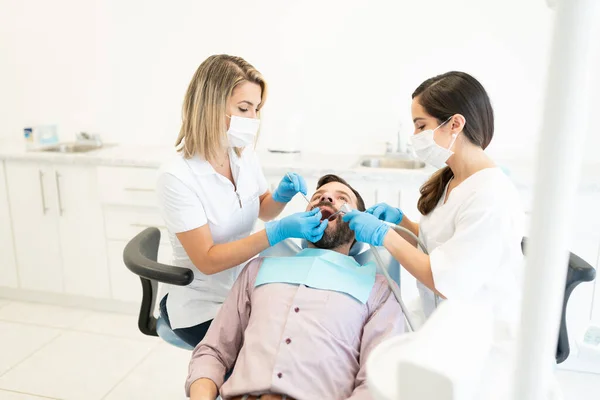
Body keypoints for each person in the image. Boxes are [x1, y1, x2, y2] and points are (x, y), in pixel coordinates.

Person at [343, 71, 525, 349]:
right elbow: (441, 244)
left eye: (420, 126)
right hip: (441, 322)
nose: (414, 136)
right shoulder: (454, 179)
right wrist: (401, 223)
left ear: (455, 124)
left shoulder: (491, 197)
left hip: (481, 339)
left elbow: (446, 280)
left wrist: (385, 237)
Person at [156, 55, 328, 347]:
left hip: (244, 288)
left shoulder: (241, 153)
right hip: (201, 306)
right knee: (272, 352)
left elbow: (263, 208)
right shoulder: (177, 177)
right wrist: (277, 233)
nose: (253, 120)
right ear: (209, 107)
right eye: (243, 108)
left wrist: (279, 196)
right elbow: (208, 260)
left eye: (257, 109)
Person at [186, 174, 404, 400]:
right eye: (317, 196)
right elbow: (212, 352)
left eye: (342, 198)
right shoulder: (257, 270)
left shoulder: (378, 290)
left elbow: (377, 383)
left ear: (359, 227)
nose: (326, 197)